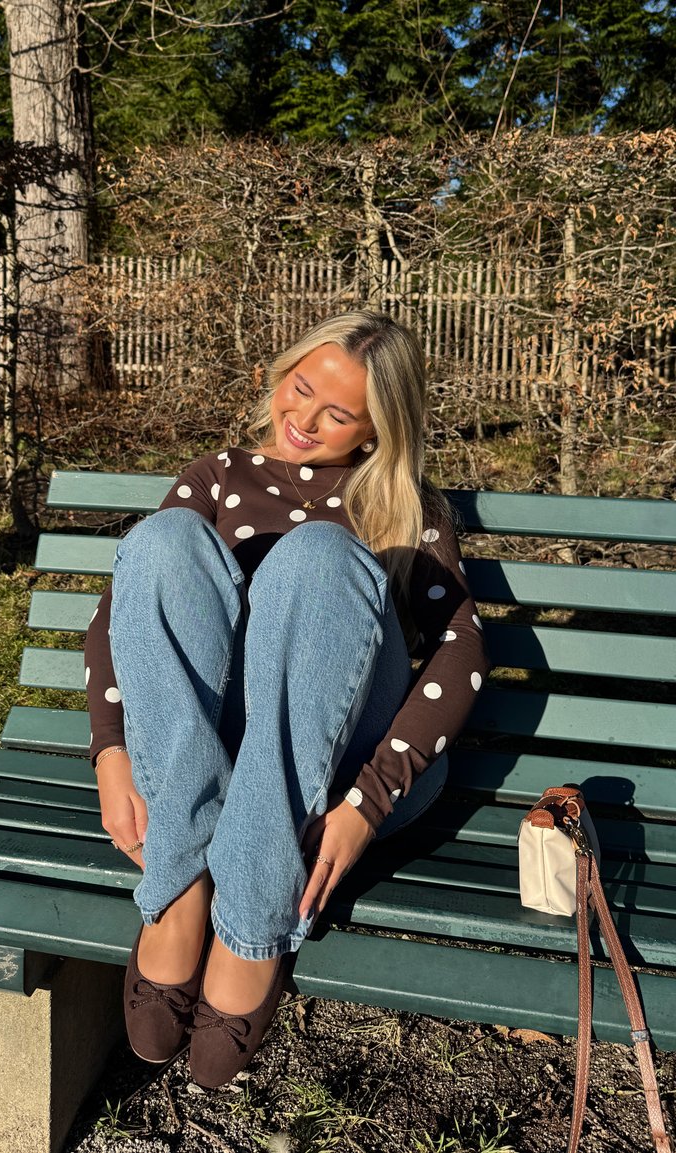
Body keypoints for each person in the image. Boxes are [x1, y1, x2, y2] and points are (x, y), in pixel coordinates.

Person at [84, 309, 490, 1088]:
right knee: (159, 542)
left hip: (341, 770)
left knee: (318, 554)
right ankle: (181, 889)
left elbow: (461, 651)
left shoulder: (406, 507)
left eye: (337, 414)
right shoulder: (217, 476)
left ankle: (252, 923)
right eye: (300, 389)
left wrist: (368, 801)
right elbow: (126, 613)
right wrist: (110, 749)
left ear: (377, 430)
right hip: (209, 760)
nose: (303, 419)